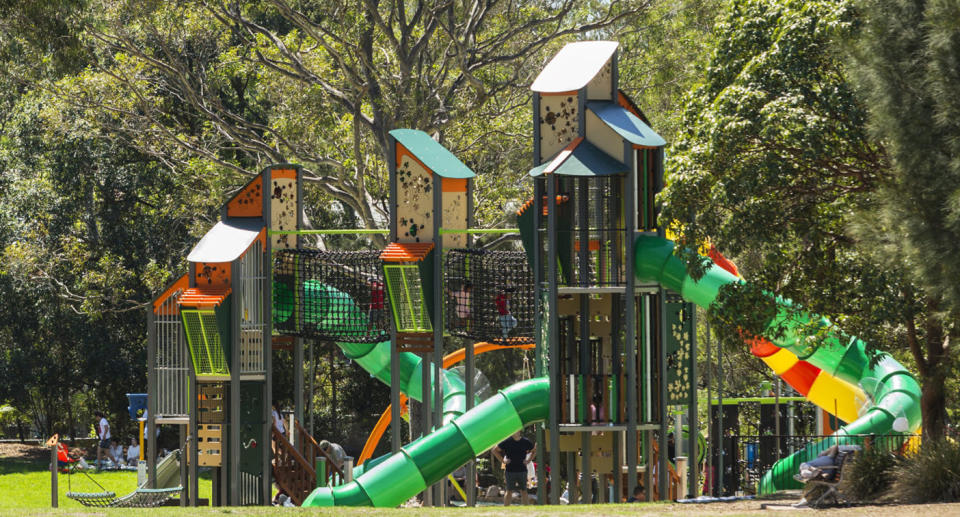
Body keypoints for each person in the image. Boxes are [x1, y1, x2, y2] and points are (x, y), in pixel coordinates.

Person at [492, 430, 535, 506]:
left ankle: (526, 509)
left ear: (519, 431)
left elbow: (534, 450)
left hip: (522, 470)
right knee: (509, 491)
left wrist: (528, 460)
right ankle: (506, 509)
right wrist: (503, 460)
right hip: (510, 470)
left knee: (524, 491)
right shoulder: (507, 441)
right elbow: (495, 450)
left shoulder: (525, 441)